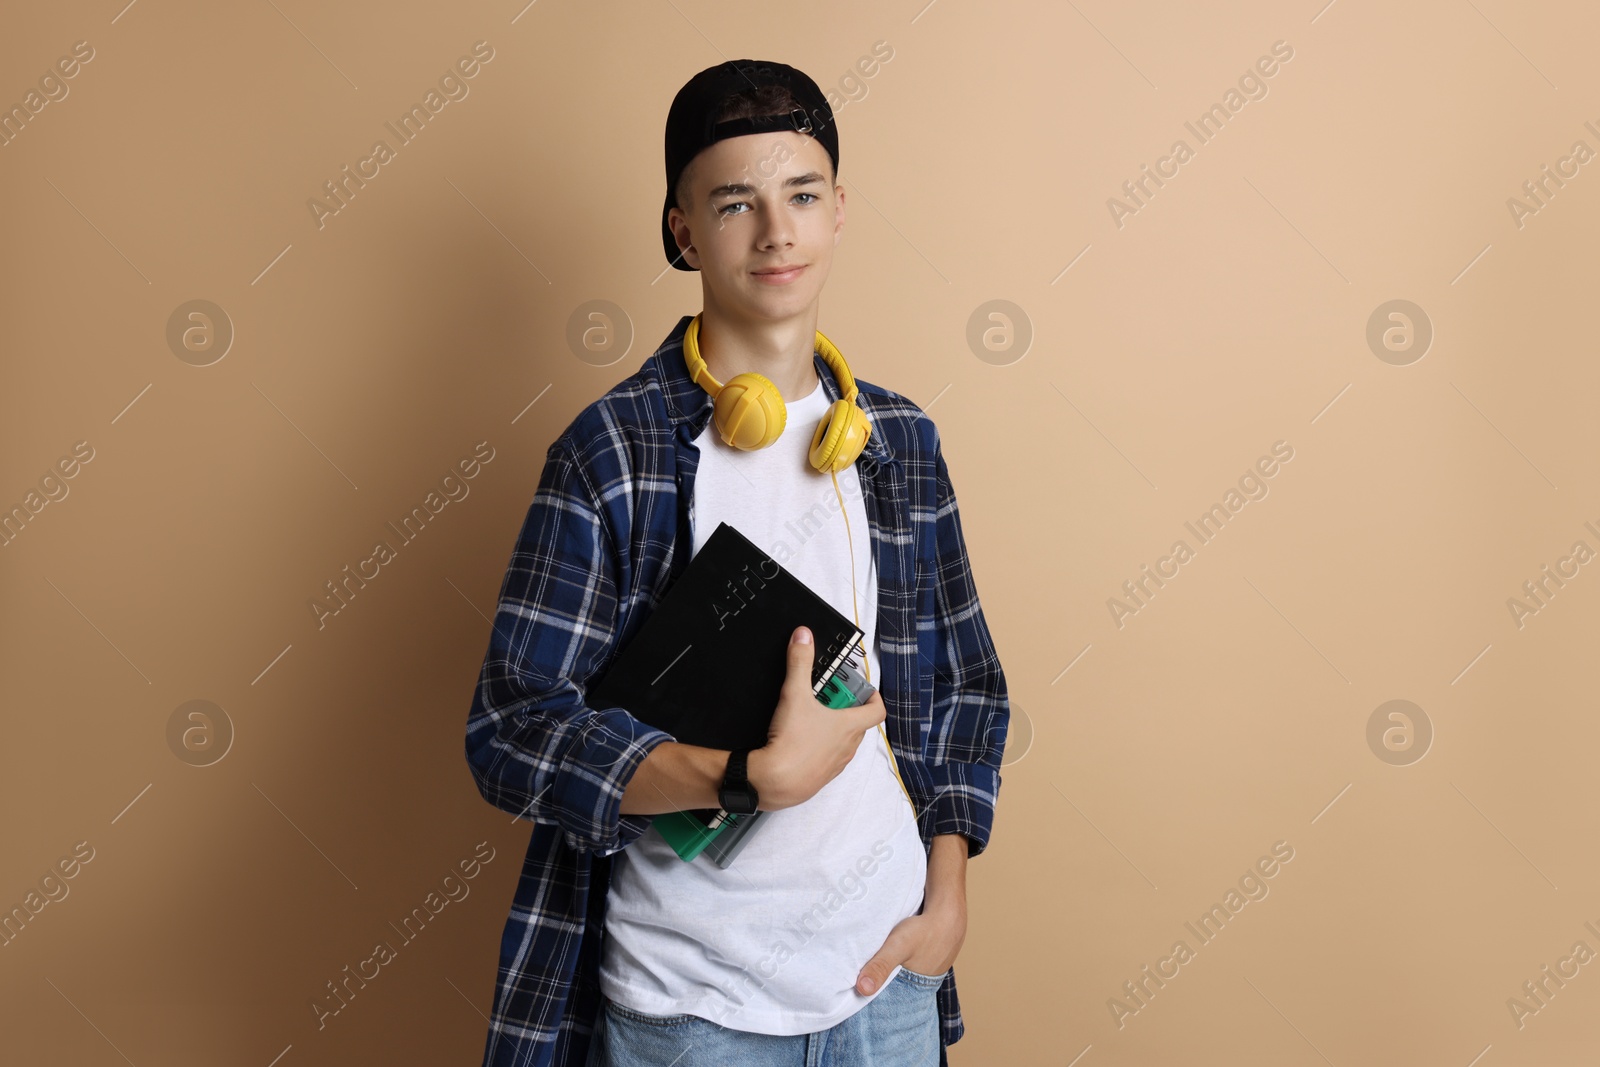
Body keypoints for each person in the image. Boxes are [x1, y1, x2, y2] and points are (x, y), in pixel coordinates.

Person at [466, 58, 1009, 1067]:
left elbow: (965, 692)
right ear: (683, 230)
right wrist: (746, 778)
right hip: (691, 1009)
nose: (776, 231)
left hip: (886, 980)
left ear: (838, 209)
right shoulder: (612, 453)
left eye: (801, 195)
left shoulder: (899, 441)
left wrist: (946, 901)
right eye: (735, 203)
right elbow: (511, 730)